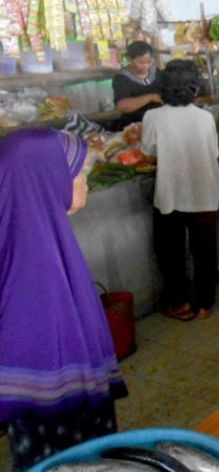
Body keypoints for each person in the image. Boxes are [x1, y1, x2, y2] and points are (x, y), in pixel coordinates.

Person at [0, 129, 128, 470]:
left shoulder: (35, 227)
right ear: (49, 178)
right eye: (80, 175)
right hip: (48, 405)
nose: (84, 184)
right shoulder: (31, 253)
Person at [141, 60, 219, 321]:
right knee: (205, 251)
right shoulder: (205, 116)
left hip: (171, 193)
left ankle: (181, 302)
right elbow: (215, 152)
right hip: (205, 192)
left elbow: (148, 154)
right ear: (194, 87)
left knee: (171, 252)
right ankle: (205, 304)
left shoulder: (153, 117)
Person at [112, 40, 161, 129]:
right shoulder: (122, 78)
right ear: (129, 59)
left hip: (158, 122)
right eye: (141, 62)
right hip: (134, 125)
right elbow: (122, 106)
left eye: (149, 62)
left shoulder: (157, 72)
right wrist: (150, 97)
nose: (146, 66)